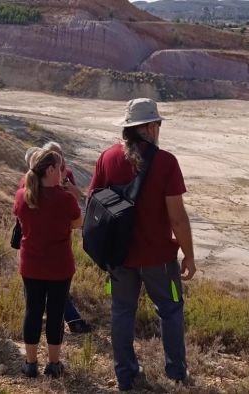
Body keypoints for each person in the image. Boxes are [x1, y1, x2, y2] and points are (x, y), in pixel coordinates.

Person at [88, 98, 196, 390]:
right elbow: (177, 217)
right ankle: (176, 374)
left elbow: (92, 203)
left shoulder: (106, 158)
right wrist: (189, 255)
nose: (159, 129)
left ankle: (125, 374)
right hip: (158, 257)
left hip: (119, 258)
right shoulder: (166, 162)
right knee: (171, 310)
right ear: (149, 127)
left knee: (122, 311)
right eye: (157, 124)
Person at [13, 149, 83, 378]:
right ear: (51, 170)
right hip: (59, 266)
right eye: (61, 168)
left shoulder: (23, 195)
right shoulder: (64, 198)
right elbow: (77, 223)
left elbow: (20, 217)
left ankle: (30, 363)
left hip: (31, 264)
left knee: (32, 311)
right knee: (55, 314)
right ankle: (53, 364)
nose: (64, 173)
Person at [20, 142, 91, 334]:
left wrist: (72, 195)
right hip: (42, 248)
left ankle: (35, 358)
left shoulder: (66, 177)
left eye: (61, 160)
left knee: (49, 297)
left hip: (52, 247)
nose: (61, 168)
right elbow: (74, 219)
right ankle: (71, 321)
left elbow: (73, 211)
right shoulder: (30, 184)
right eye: (55, 161)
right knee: (45, 299)